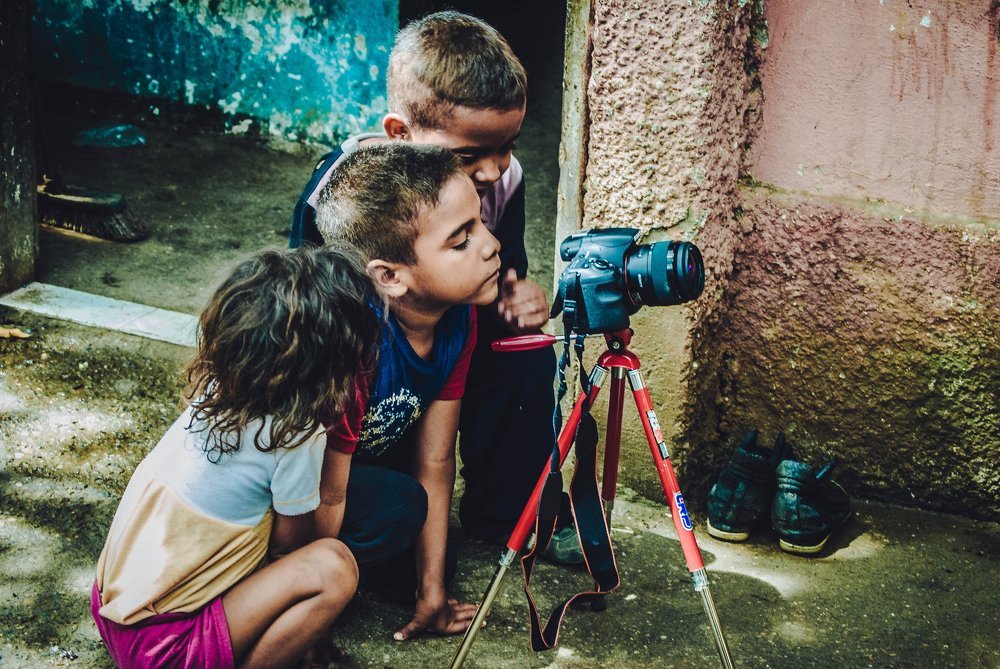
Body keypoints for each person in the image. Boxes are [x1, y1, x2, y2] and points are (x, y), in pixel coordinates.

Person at [290, 10, 581, 564]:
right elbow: (310, 313)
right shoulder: (335, 193)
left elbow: (503, 269)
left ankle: (511, 514)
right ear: (400, 134)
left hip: (447, 332)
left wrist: (517, 295)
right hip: (365, 359)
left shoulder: (504, 179)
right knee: (394, 494)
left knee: (526, 353)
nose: (494, 170)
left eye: (508, 145)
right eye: (469, 156)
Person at [90, 245, 383, 669]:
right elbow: (288, 552)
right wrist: (309, 635)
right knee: (333, 567)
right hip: (165, 649)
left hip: (113, 611)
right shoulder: (295, 434)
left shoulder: (214, 390)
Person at [314, 142, 497, 642]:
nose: (490, 244)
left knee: (428, 565)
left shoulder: (457, 318)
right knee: (400, 506)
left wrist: (431, 591)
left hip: (357, 478)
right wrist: (311, 609)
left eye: (481, 223)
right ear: (390, 277)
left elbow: (436, 460)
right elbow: (328, 490)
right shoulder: (355, 344)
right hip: (295, 493)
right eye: (461, 241)